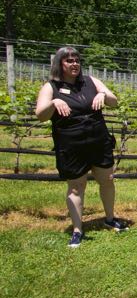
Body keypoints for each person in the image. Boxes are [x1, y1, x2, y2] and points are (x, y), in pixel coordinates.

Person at [35, 46, 126, 248]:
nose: (74, 64)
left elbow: (114, 101)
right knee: (76, 187)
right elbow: (40, 115)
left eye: (76, 60)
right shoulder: (51, 87)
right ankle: (77, 229)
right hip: (71, 144)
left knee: (107, 180)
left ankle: (110, 218)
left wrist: (103, 94)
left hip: (98, 140)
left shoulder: (91, 81)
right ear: (60, 64)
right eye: (69, 61)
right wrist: (54, 103)